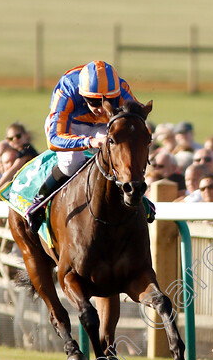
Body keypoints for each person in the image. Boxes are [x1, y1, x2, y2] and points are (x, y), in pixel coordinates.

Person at [24, 61, 137, 233]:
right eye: (93, 101)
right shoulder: (67, 88)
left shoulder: (122, 90)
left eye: (107, 100)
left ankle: (140, 199)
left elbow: (138, 124)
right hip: (70, 125)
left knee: (120, 152)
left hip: (103, 126)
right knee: (70, 163)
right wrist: (88, 142)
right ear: (82, 95)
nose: (100, 108)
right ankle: (40, 201)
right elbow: (54, 139)